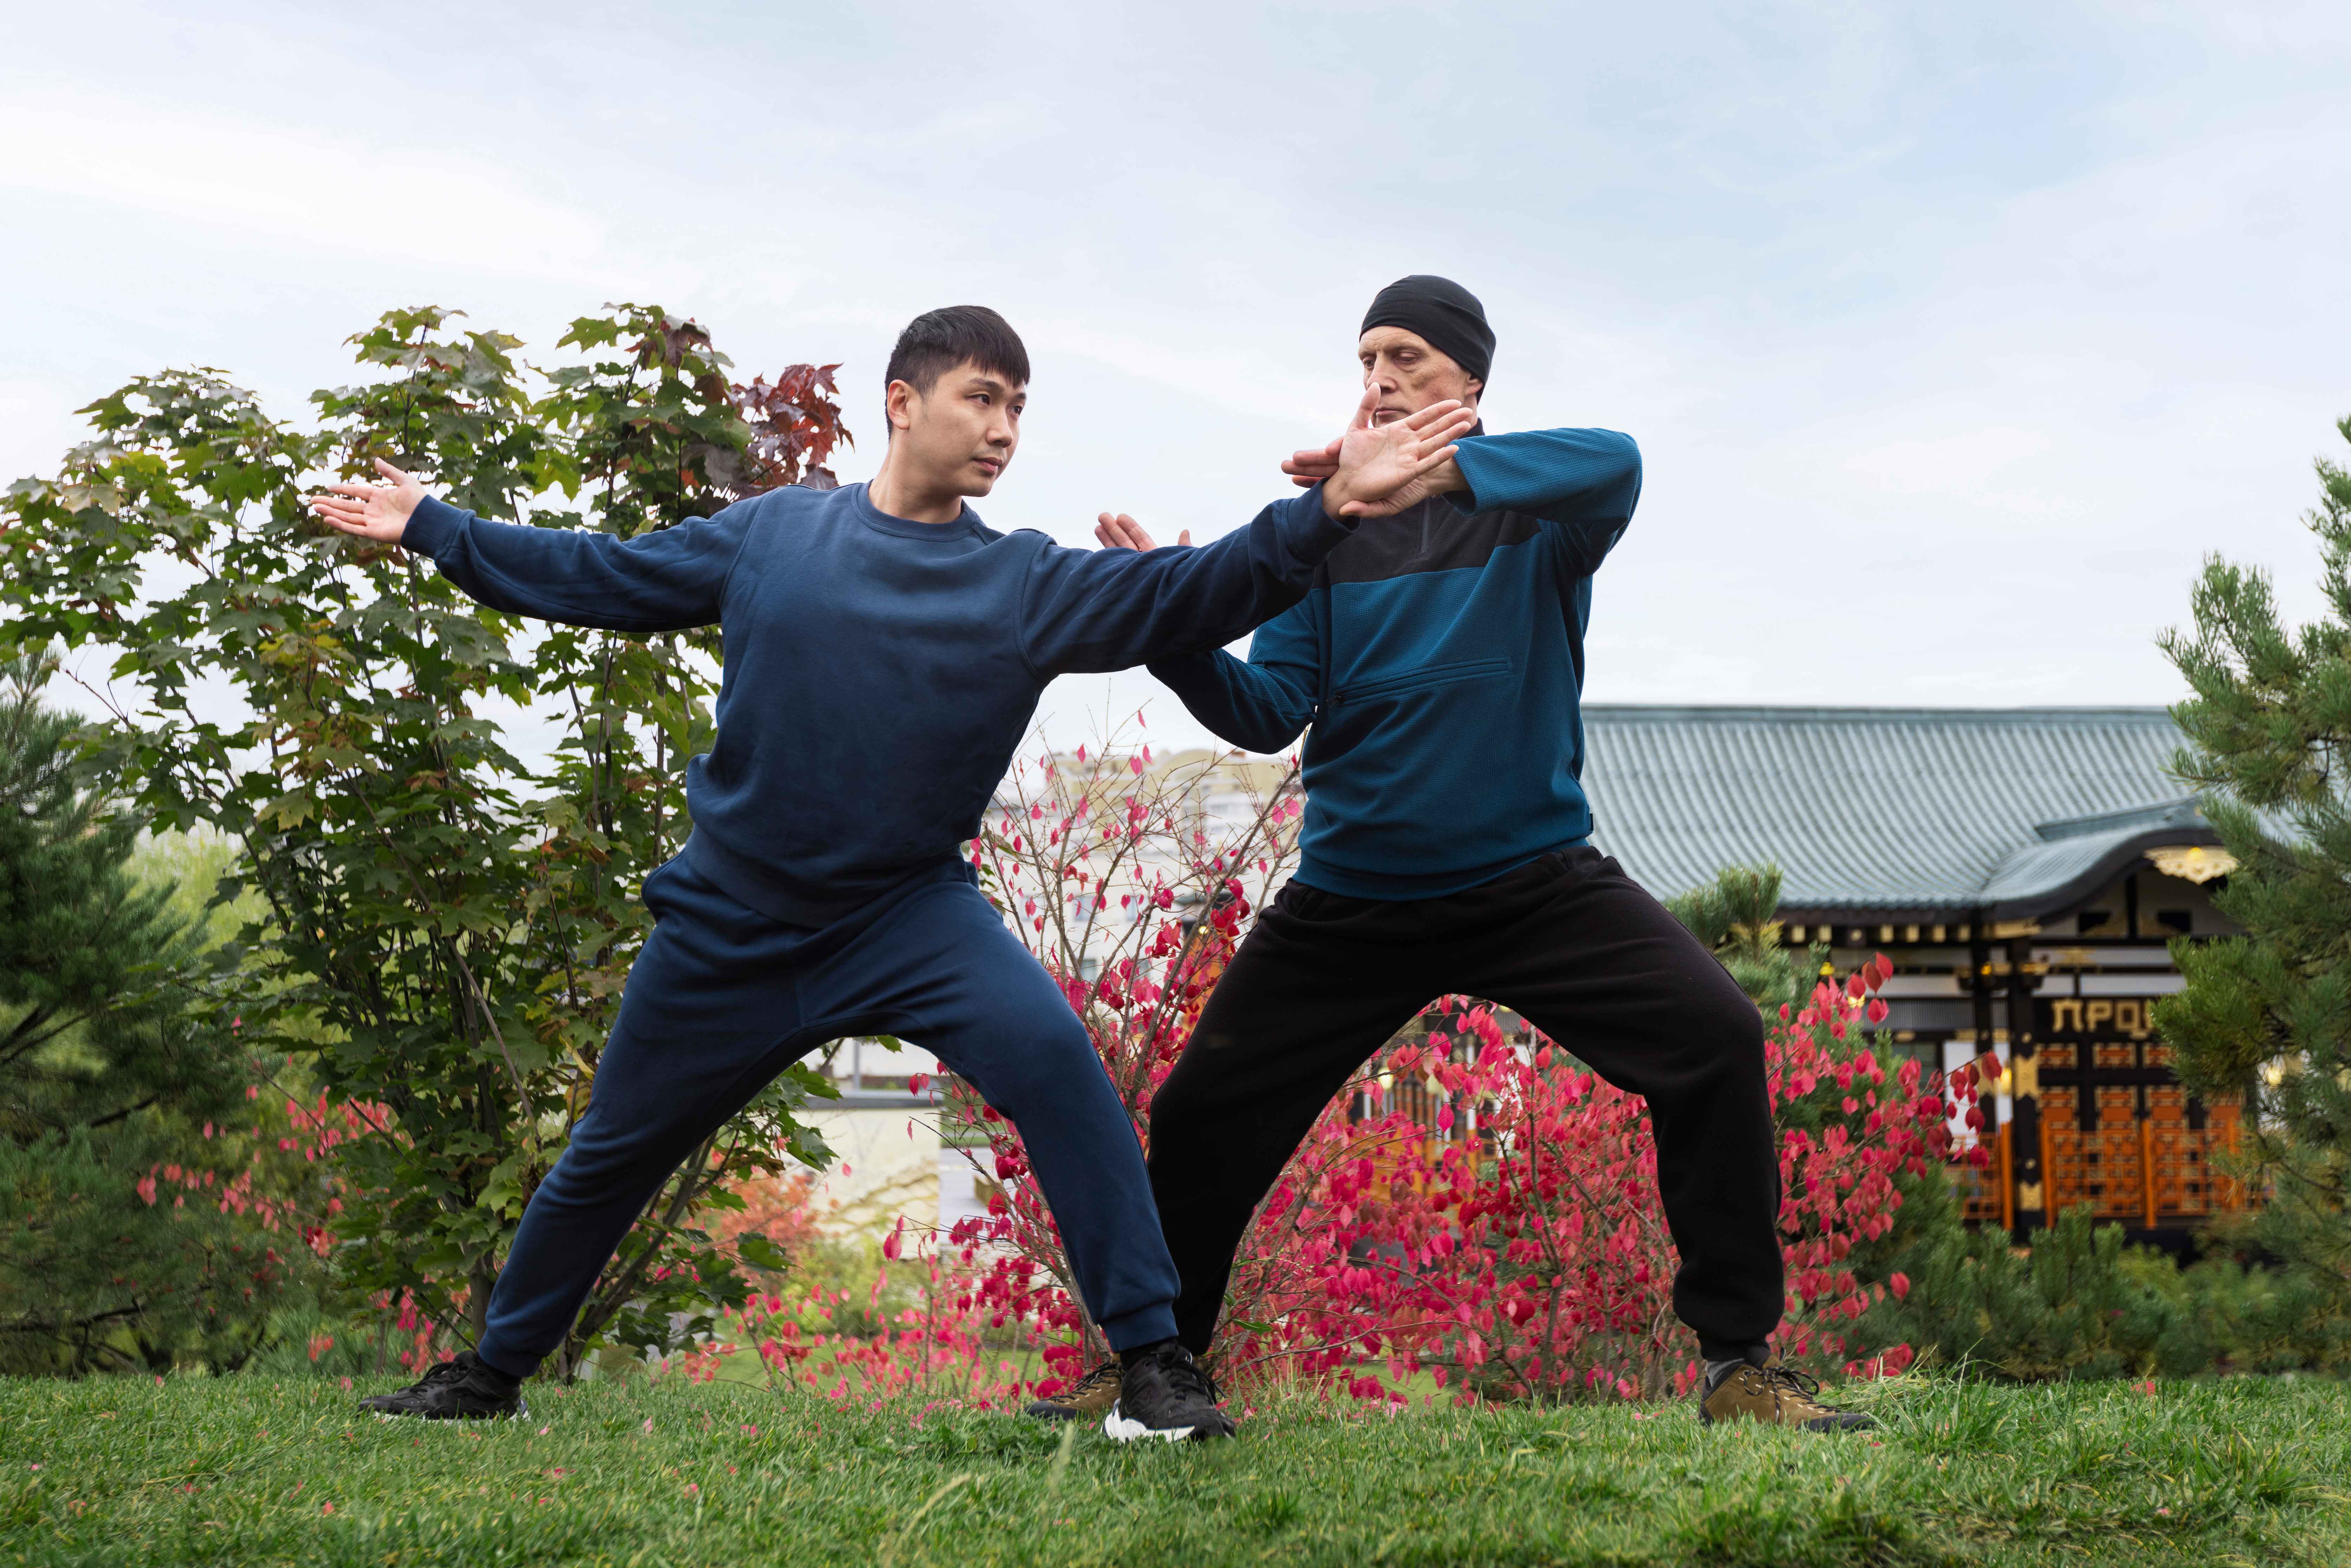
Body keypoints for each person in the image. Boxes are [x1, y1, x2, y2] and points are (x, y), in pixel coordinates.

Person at [306, 305, 1474, 1441]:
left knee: (1061, 1074)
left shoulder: (1023, 581)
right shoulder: (772, 537)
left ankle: (1152, 1367)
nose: (1003, 429)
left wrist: (1325, 508)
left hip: (910, 918)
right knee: (611, 1151)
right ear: (902, 402)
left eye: (1018, 409)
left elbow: (1194, 587)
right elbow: (598, 574)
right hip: (730, 922)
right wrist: (433, 525)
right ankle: (491, 1375)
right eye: (983, 398)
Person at [1059, 276, 1872, 1433]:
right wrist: (1176, 631)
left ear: (1471, 382)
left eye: (1406, 357)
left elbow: (1619, 461)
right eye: (1365, 361)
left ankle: (1738, 1367)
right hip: (1350, 901)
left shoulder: (1535, 512)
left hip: (1531, 885)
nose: (1378, 378)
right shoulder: (1323, 536)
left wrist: (1438, 472)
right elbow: (1267, 709)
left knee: (1715, 1038)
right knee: (1198, 1113)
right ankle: (1153, 1365)